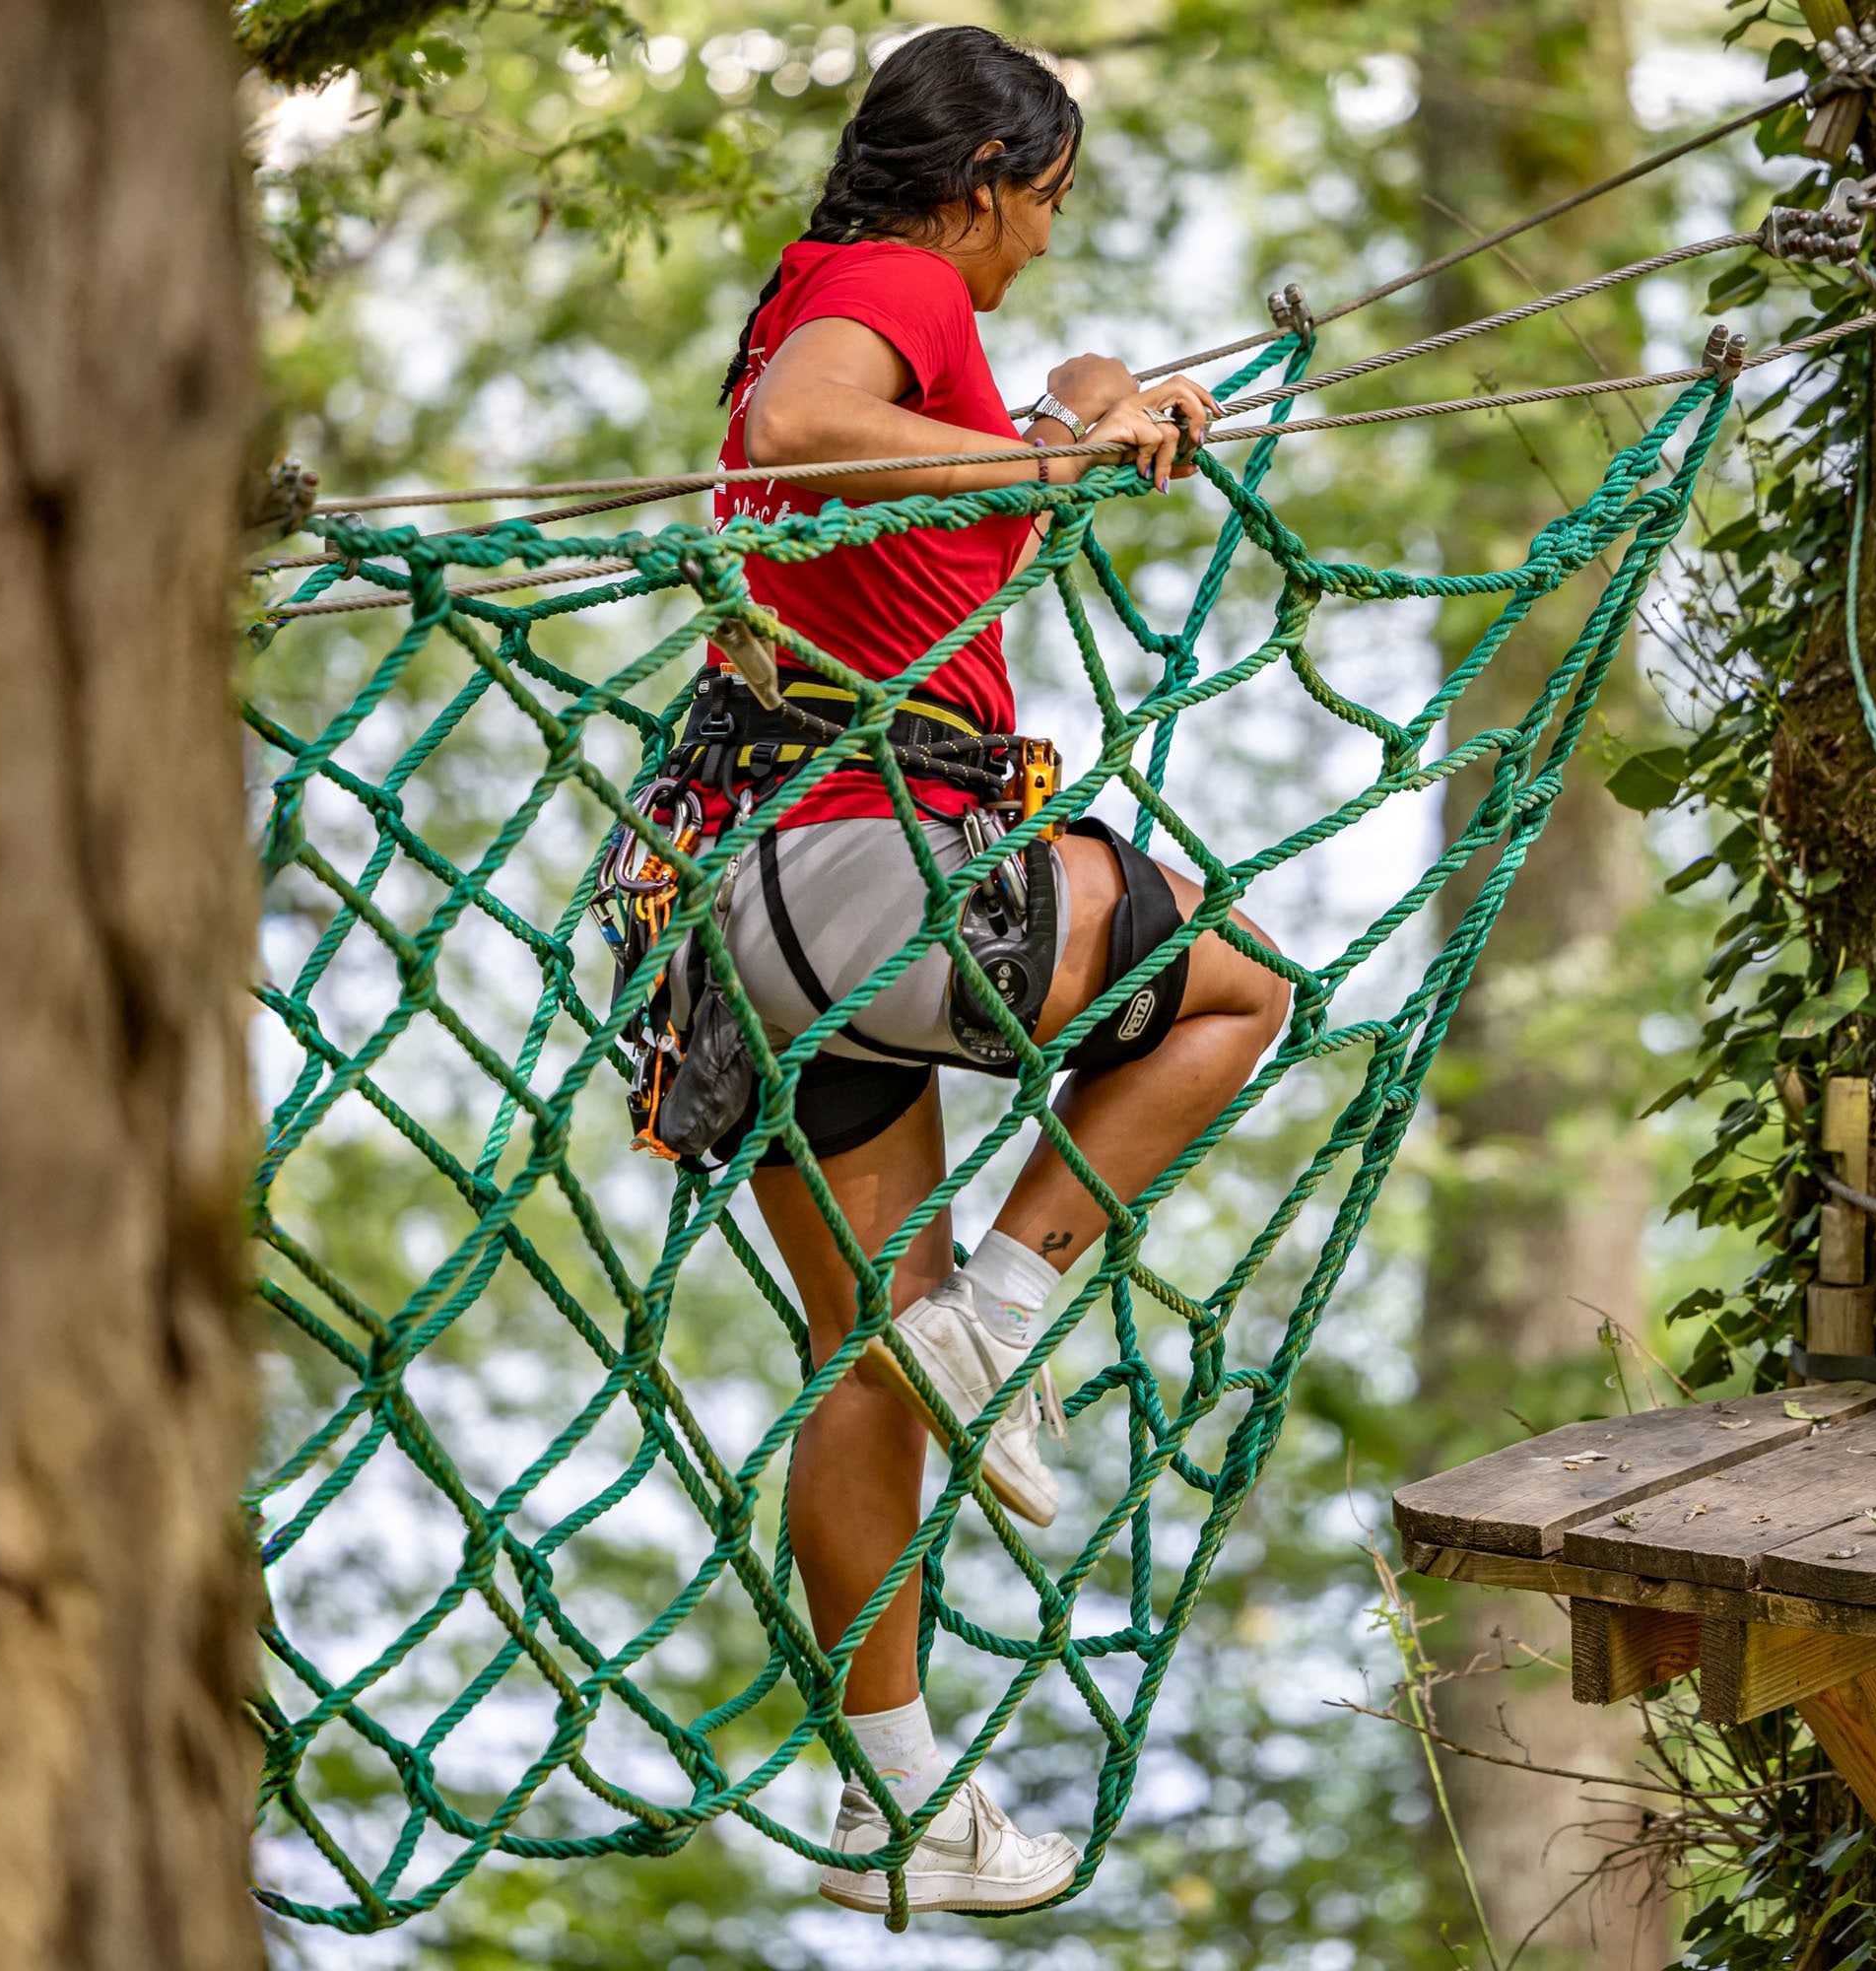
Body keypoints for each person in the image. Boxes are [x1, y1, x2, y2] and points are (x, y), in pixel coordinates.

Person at [687, 23, 1291, 1916]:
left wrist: (1095, 401)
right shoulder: (888, 291)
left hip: (743, 916)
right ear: (982, 185)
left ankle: (900, 1809)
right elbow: (805, 428)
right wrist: (1053, 438)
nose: (1045, 239)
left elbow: (995, 410)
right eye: (1045, 204)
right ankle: (1008, 1317)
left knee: (860, 1360)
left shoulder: (833, 298)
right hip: (872, 869)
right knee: (1240, 986)